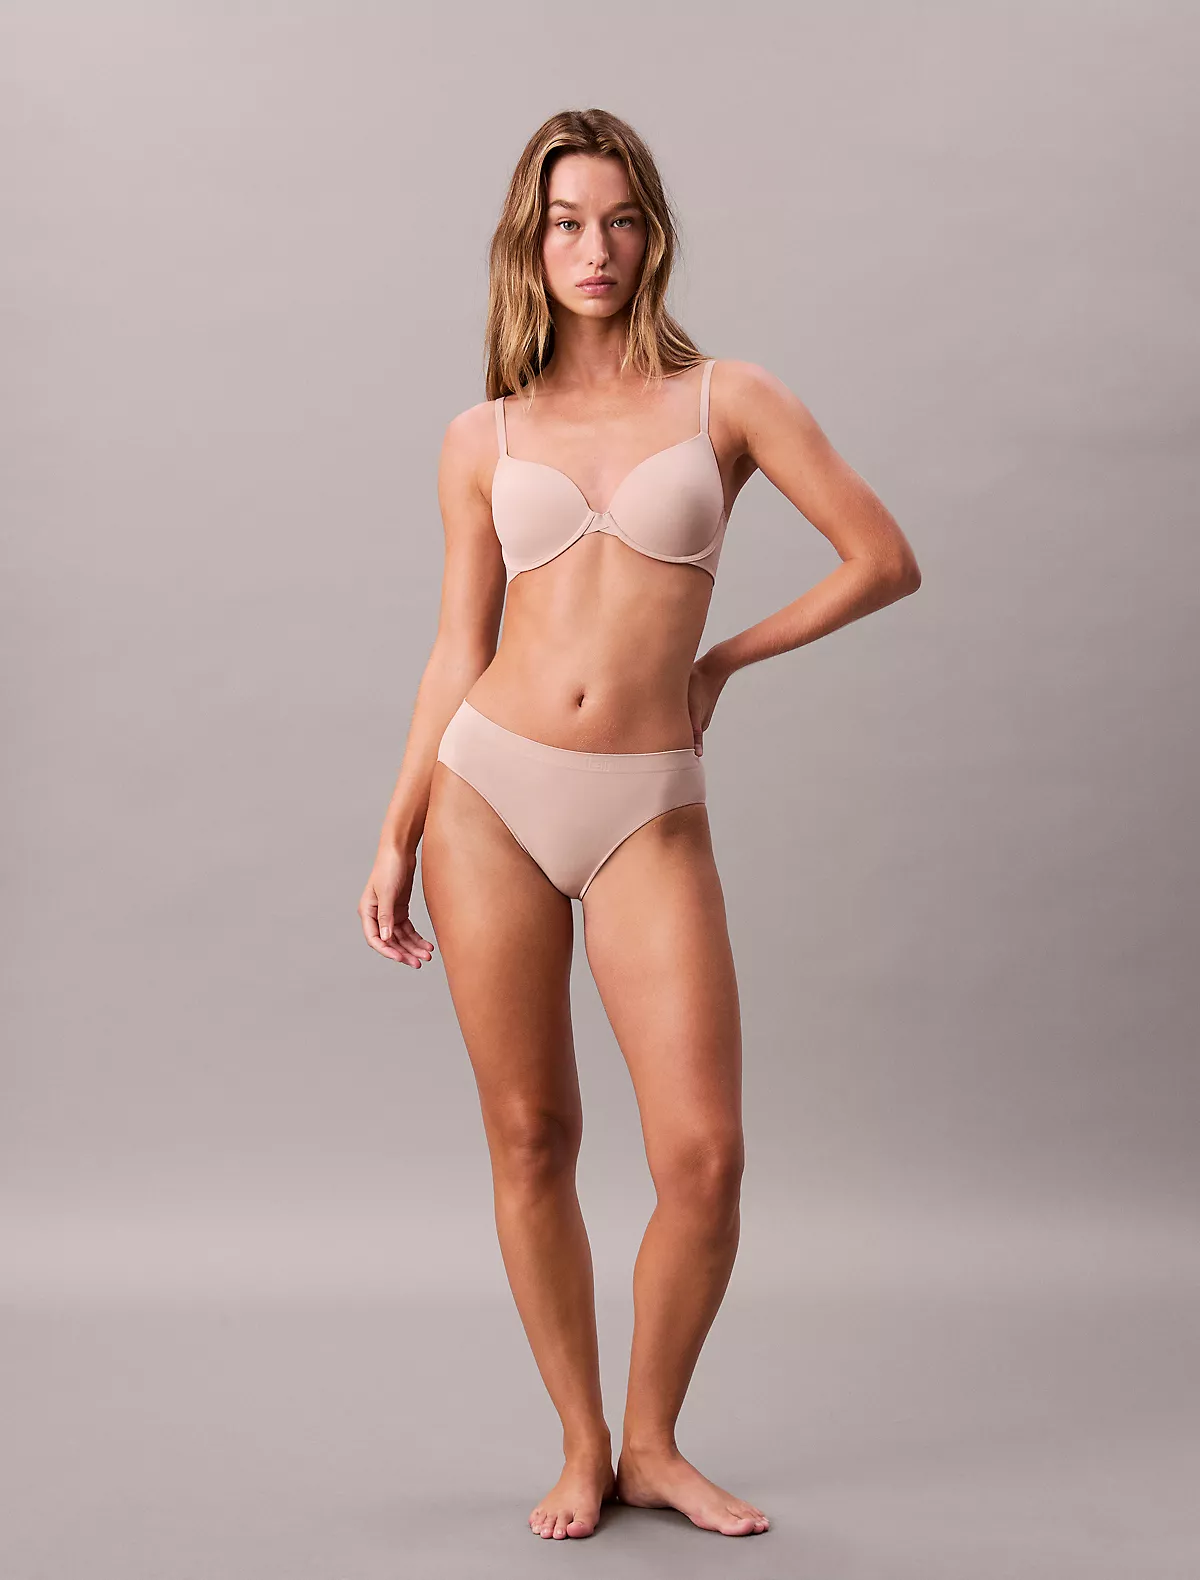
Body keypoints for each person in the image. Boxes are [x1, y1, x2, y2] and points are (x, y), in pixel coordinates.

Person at [358, 107, 920, 1542]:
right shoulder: (483, 435)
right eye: (565, 224)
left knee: (704, 1160)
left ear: (651, 234)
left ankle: (657, 1441)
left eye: (617, 220)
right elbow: (456, 646)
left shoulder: (730, 399)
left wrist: (721, 663)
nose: (592, 248)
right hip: (489, 794)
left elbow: (882, 558)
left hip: (646, 806)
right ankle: (581, 1441)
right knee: (531, 1134)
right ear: (529, 242)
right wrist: (397, 829)